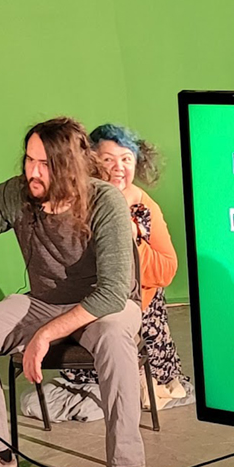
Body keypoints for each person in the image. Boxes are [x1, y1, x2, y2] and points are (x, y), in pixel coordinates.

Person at [0, 117, 146, 467]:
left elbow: (113, 292)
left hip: (107, 307)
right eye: (29, 160)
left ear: (68, 166)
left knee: (117, 337)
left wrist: (45, 335)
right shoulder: (17, 195)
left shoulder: (104, 201)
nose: (32, 171)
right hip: (44, 301)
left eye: (44, 164)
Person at [57, 123, 191, 406]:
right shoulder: (76, 202)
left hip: (134, 305)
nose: (118, 167)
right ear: (91, 162)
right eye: (108, 159)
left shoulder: (144, 207)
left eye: (126, 159)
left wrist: (132, 240)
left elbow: (166, 269)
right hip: (86, 303)